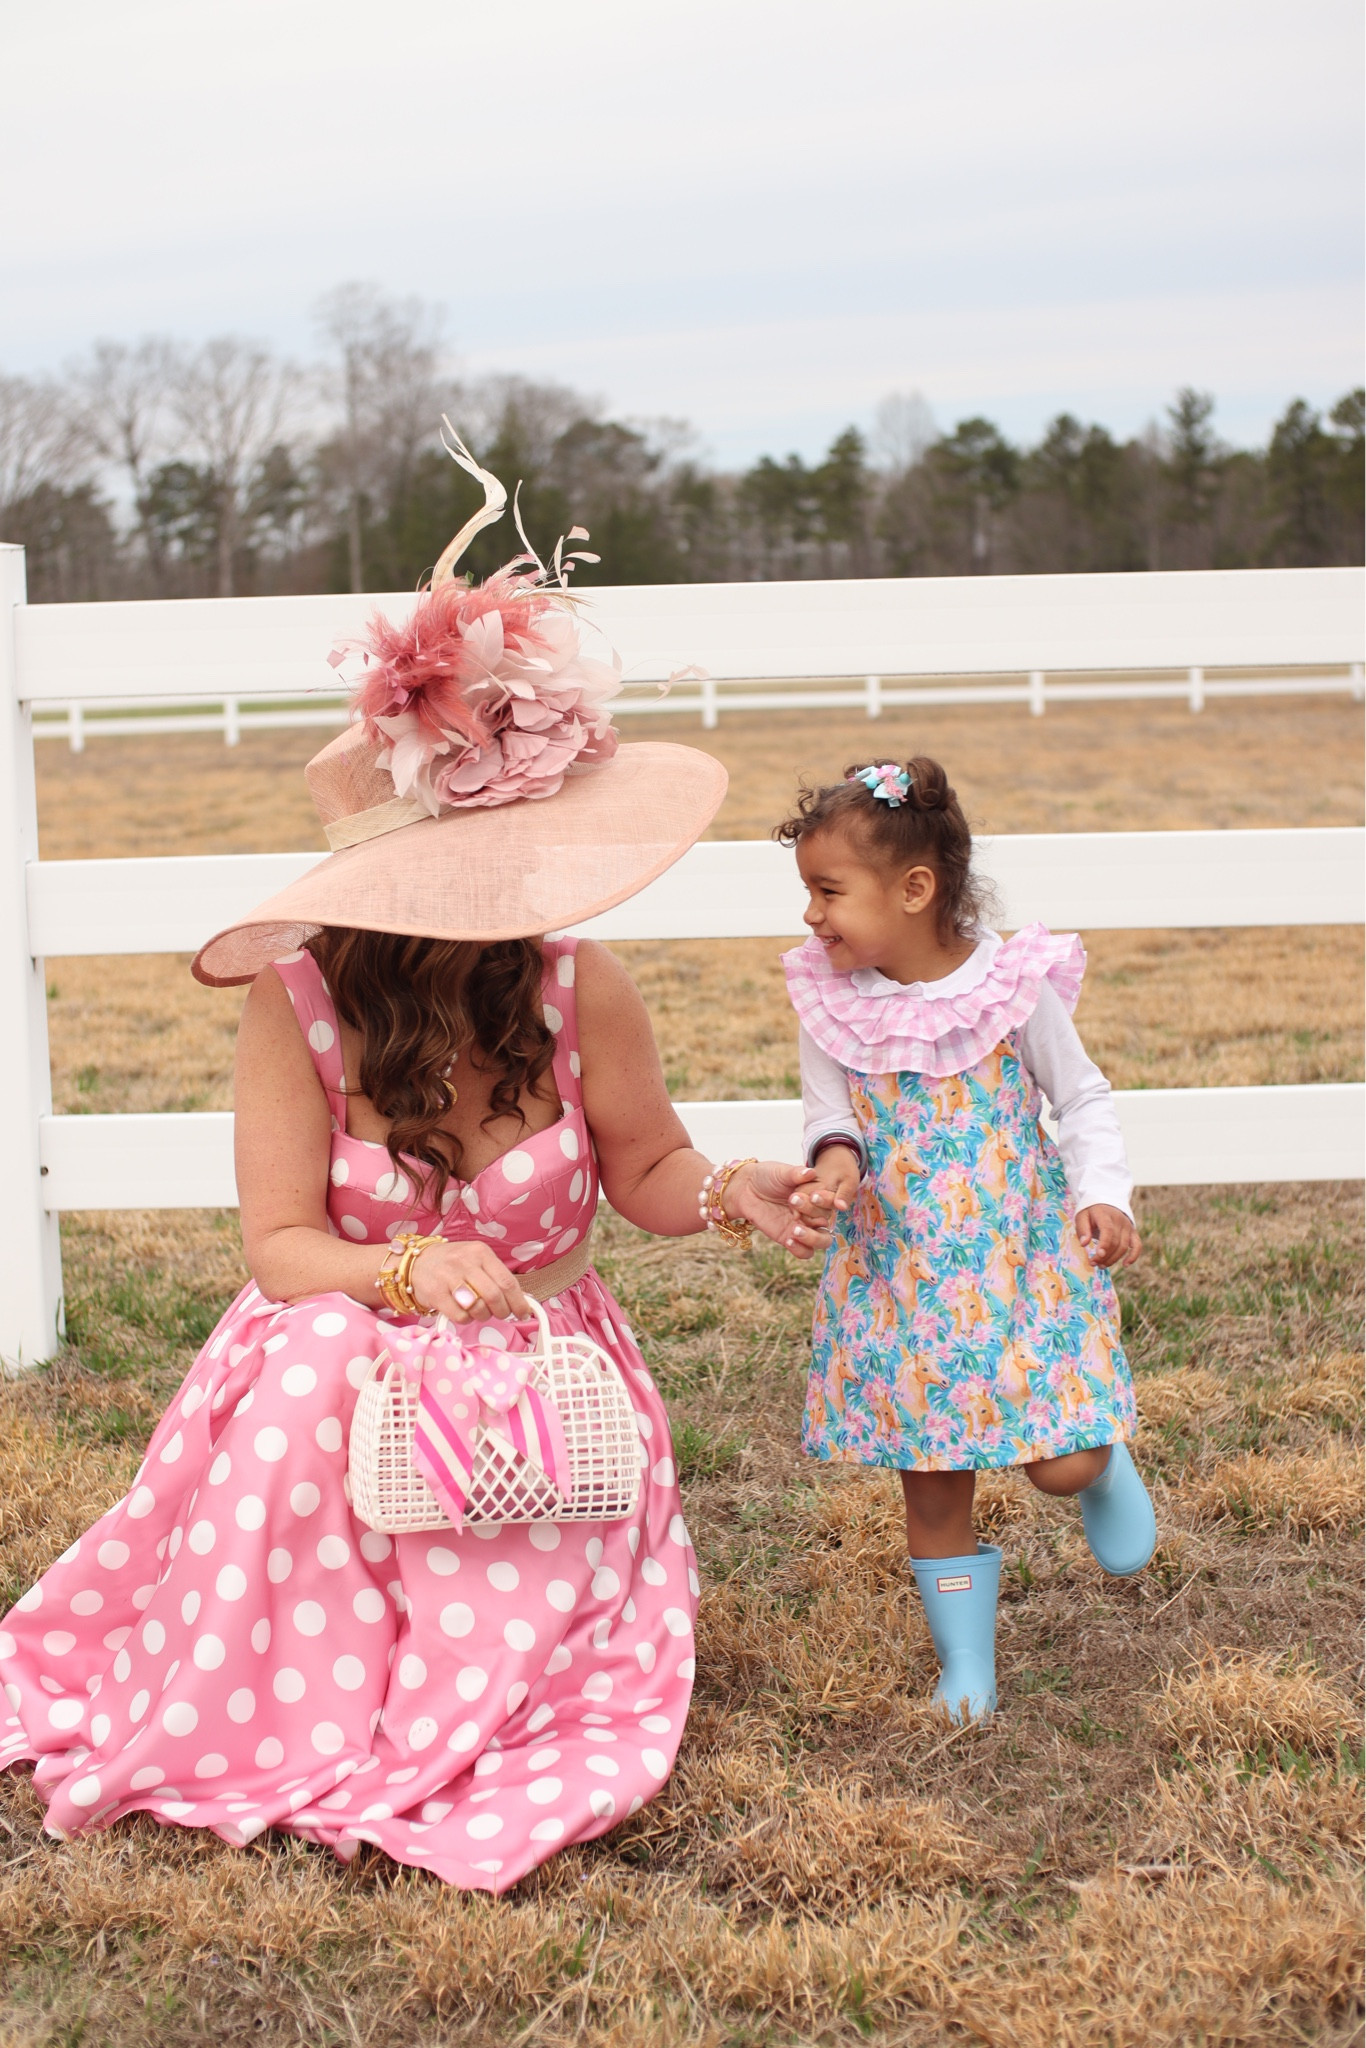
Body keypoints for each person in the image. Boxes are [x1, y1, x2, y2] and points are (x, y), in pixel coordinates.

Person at [0, 436, 828, 1892]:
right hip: (336, 1365)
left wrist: (724, 1191)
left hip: (531, 1381)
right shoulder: (298, 1002)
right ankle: (279, 1698)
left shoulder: (578, 986)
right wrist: (401, 1267)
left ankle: (477, 1687)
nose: (505, 896)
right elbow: (277, 1248)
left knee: (473, 1498)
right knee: (317, 1348)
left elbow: (642, 1166)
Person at [777, 757, 1156, 1725]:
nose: (812, 916)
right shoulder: (831, 999)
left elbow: (1080, 1096)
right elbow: (833, 1118)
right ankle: (967, 1666)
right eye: (807, 893)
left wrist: (1102, 1194)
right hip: (903, 1275)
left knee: (1055, 1460)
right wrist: (833, 1169)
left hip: (1018, 1262)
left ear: (915, 889)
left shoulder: (1011, 988)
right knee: (934, 1474)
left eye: (828, 892)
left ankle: (1102, 1464)